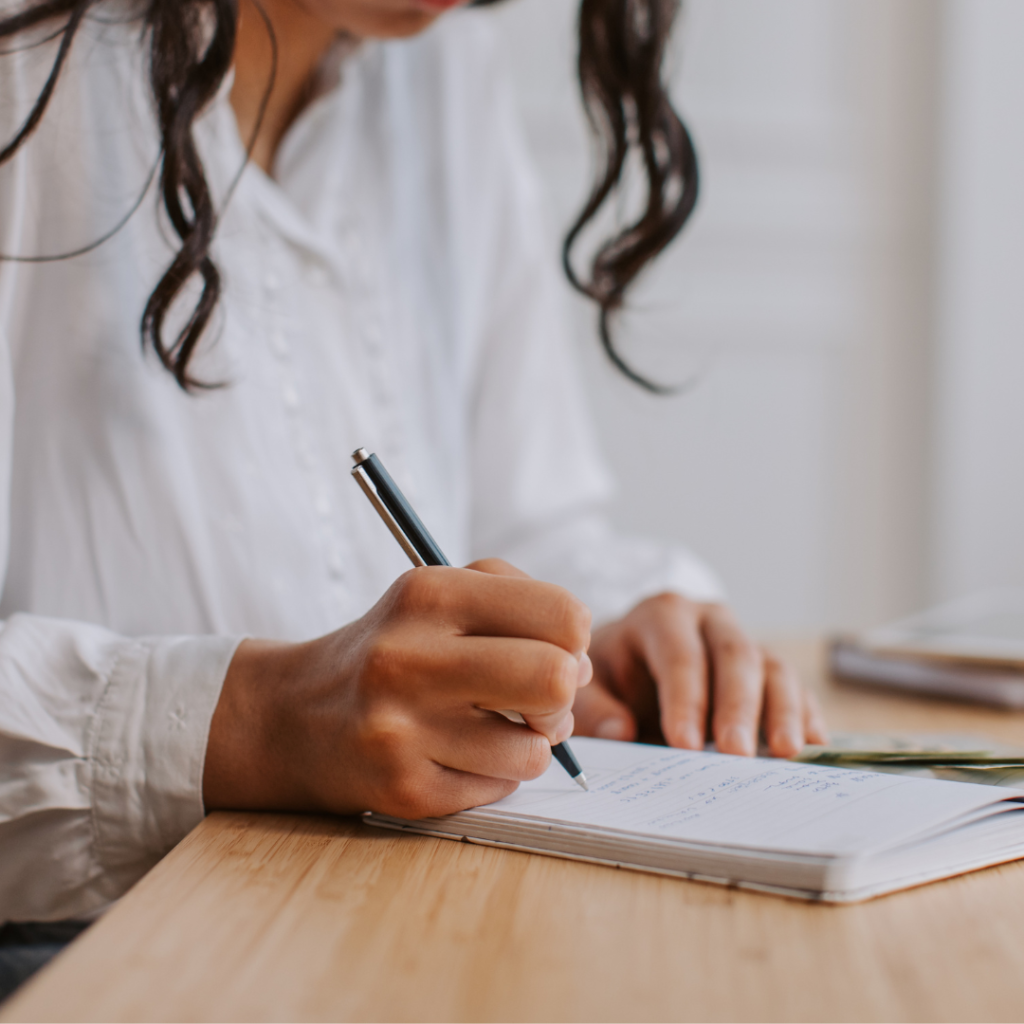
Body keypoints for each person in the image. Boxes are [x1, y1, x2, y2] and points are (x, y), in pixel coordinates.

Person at [0, 0, 827, 939]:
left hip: (385, 921)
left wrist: (606, 631)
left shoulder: (441, 69)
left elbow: (530, 520)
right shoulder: (23, 75)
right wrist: (257, 723)